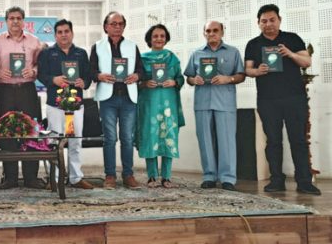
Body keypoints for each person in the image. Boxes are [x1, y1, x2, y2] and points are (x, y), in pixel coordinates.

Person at [244, 4, 321, 195]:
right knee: (273, 141)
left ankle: (304, 181)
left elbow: (306, 61)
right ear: (258, 23)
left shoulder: (292, 38)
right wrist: (257, 71)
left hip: (295, 98)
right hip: (268, 100)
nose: (268, 24)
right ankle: (276, 180)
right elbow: (247, 70)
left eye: (272, 20)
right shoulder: (253, 44)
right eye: (264, 21)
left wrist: (290, 53)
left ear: (279, 20)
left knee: (299, 140)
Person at [183, 21, 245, 191]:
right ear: (204, 33)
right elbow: (188, 77)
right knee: (205, 140)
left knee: (227, 141)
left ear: (222, 31)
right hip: (202, 102)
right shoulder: (196, 53)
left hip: (225, 102)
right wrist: (193, 80)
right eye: (208, 31)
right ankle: (209, 176)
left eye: (215, 30)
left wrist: (228, 79)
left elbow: (241, 75)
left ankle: (228, 178)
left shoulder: (233, 52)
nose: (212, 34)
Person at [0, 6, 46, 190]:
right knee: (6, 132)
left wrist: (34, 71)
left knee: (31, 130)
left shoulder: (34, 41)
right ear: (6, 21)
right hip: (4, 91)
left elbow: (40, 65)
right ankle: (10, 177)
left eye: (18, 18)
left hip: (27, 90)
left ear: (24, 21)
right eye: (11, 18)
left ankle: (31, 177)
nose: (15, 21)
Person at [37, 19, 95, 189]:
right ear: (55, 35)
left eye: (66, 31)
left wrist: (84, 82)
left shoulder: (81, 53)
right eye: (60, 32)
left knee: (75, 141)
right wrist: (53, 79)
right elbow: (41, 74)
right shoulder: (47, 53)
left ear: (72, 33)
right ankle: (55, 178)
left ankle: (76, 177)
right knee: (55, 141)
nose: (63, 35)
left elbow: (88, 76)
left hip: (76, 105)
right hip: (55, 104)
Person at [89, 11, 143, 190]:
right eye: (114, 24)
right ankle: (110, 175)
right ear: (106, 27)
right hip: (108, 98)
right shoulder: (97, 46)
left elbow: (141, 71)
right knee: (110, 138)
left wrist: (136, 76)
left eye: (121, 24)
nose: (117, 27)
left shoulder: (132, 46)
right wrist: (99, 75)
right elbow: (91, 72)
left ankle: (128, 175)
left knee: (127, 138)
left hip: (128, 98)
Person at [136, 24, 185, 188]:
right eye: (155, 36)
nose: (159, 39)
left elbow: (180, 78)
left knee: (167, 136)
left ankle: (167, 176)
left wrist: (174, 81)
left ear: (166, 38)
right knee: (151, 136)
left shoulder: (172, 58)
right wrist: (144, 83)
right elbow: (135, 81)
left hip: (168, 103)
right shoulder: (142, 59)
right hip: (149, 103)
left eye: (162, 36)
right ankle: (151, 176)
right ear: (150, 38)